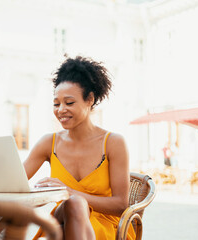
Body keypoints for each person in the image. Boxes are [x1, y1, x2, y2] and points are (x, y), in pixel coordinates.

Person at [24, 56, 135, 240]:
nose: (60, 110)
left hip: (104, 226)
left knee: (74, 202)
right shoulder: (49, 143)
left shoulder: (113, 143)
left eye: (69, 103)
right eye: (56, 103)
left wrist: (70, 192)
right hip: (63, 220)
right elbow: (13, 181)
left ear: (89, 99)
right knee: (71, 205)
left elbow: (121, 205)